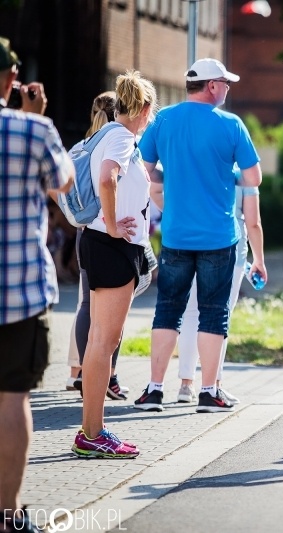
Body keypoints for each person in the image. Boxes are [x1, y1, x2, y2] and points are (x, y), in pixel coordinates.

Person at [134, 58, 262, 413]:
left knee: (167, 311)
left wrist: (173, 178)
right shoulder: (231, 124)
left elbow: (144, 173)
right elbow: (254, 180)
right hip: (219, 237)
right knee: (213, 314)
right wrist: (227, 175)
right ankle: (208, 392)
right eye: (225, 83)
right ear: (211, 86)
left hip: (175, 234)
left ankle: (154, 389)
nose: (227, 89)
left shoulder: (163, 120)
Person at [1, 36, 74, 532]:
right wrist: (34, 113)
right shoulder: (32, 130)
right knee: (12, 399)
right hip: (19, 292)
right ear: (10, 81)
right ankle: (7, 516)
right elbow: (63, 183)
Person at [70, 70, 158, 459]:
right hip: (111, 246)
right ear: (143, 108)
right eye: (152, 111)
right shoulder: (122, 137)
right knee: (104, 342)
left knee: (100, 341)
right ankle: (92, 433)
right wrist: (110, 223)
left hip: (106, 243)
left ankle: (92, 429)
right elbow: (108, 178)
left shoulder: (105, 133)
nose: (152, 118)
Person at [172, 180, 265, 404]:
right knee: (221, 317)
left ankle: (186, 384)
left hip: (191, 244)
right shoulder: (244, 171)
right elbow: (253, 222)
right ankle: (214, 385)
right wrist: (259, 259)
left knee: (191, 314)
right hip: (231, 250)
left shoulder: (195, 161)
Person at [67, 91, 131, 399]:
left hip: (84, 232)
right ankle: (109, 377)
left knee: (85, 305)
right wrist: (112, 220)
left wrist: (76, 215)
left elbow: (59, 186)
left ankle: (83, 373)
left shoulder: (82, 146)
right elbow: (111, 182)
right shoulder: (115, 142)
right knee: (112, 314)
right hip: (109, 233)